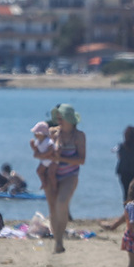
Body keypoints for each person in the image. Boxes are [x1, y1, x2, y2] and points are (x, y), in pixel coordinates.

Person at [49, 104, 86, 253]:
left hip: (70, 176)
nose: (59, 121)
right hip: (52, 175)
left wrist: (62, 157)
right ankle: (57, 241)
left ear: (69, 119)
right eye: (57, 118)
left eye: (61, 118)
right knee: (53, 210)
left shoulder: (79, 136)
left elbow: (81, 160)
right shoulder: (53, 132)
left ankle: (59, 240)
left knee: (62, 203)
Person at [115, 125, 134, 202]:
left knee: (126, 192)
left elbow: (119, 157)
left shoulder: (121, 146)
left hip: (124, 171)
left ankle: (127, 211)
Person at [30, 121, 57, 196]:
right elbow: (36, 149)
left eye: (36, 133)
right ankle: (43, 183)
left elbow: (52, 149)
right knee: (39, 171)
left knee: (51, 174)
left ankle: (55, 187)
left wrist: (43, 155)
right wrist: (32, 146)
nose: (35, 135)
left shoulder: (48, 141)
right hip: (45, 160)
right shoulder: (38, 142)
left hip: (51, 160)